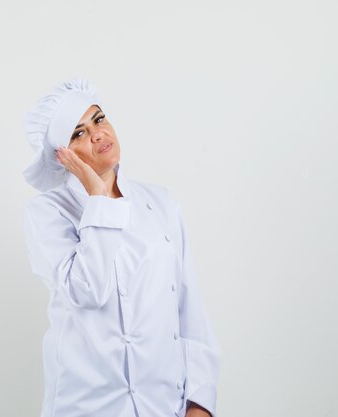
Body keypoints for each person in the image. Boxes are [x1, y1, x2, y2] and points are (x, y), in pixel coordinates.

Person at [21, 77, 221, 417]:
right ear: (62, 155)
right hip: (86, 407)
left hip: (163, 406)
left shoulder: (161, 203)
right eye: (78, 132)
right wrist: (98, 198)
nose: (97, 134)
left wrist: (200, 403)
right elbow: (88, 291)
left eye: (98, 119)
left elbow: (188, 308)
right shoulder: (48, 213)